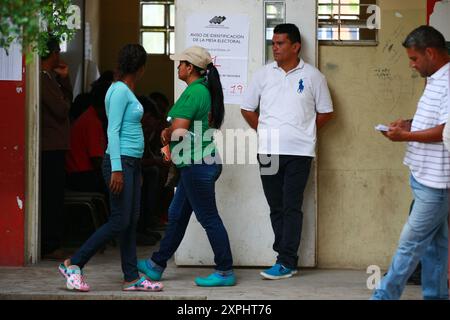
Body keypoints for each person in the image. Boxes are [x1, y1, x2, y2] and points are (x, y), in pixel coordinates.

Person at [58, 44, 163, 292]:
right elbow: (113, 131)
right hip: (120, 162)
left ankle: (131, 278)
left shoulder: (125, 90)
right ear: (141, 68)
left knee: (129, 221)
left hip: (131, 163)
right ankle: (74, 264)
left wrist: (134, 170)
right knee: (118, 221)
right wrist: (117, 169)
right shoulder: (118, 91)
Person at [240, 23, 334, 280]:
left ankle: (286, 260)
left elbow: (326, 112)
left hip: (300, 153)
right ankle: (284, 258)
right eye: (274, 42)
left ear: (296, 46)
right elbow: (247, 108)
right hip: (268, 151)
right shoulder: (263, 75)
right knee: (276, 206)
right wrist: (265, 130)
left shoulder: (314, 77)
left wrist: (304, 131)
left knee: (292, 206)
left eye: (281, 43)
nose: (276, 47)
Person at [137, 46, 236, 287]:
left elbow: (179, 131)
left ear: (190, 68)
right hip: (198, 163)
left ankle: (225, 270)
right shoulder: (201, 90)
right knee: (177, 214)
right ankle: (156, 264)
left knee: (208, 218)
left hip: (198, 164)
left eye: (181, 63)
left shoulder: (195, 92)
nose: (178, 66)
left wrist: (165, 133)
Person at [372, 25, 449, 300]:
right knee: (434, 247)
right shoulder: (436, 79)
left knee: (410, 245)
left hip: (436, 183)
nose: (412, 65)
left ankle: (383, 297)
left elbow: (446, 131)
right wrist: (409, 123)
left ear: (430, 52)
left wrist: (406, 135)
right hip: (424, 176)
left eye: (414, 59)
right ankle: (437, 296)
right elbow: (436, 121)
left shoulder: (448, 81)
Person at [40, 35, 73, 260]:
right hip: (49, 147)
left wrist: (65, 80)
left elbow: (67, 102)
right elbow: (62, 109)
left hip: (55, 146)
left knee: (55, 196)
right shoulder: (43, 79)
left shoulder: (51, 78)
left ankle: (52, 242)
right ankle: (50, 244)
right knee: (51, 197)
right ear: (53, 54)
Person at [65, 79, 110, 195]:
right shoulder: (92, 122)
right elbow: (97, 161)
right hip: (81, 177)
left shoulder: (93, 118)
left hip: (81, 175)